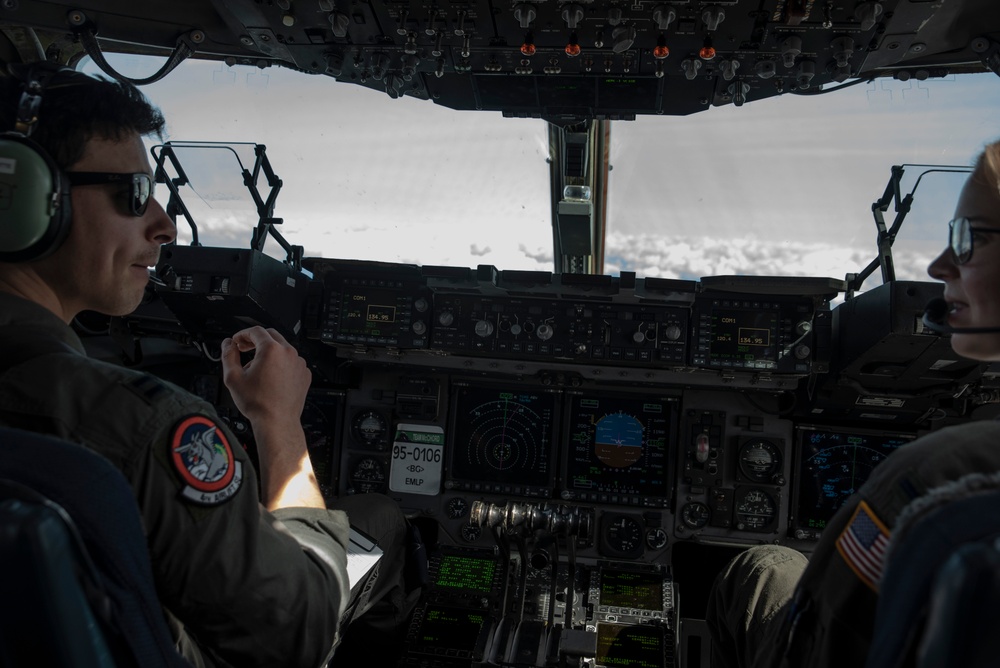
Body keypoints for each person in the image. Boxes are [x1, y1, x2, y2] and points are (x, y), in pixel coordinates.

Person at [0, 62, 416, 667]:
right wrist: (280, 425)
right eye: (135, 194)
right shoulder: (144, 427)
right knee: (380, 516)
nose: (165, 226)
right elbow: (294, 634)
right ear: (24, 199)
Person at [706, 138, 1000, 668]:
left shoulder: (941, 476)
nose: (937, 266)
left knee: (766, 567)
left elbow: (811, 648)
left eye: (967, 240)